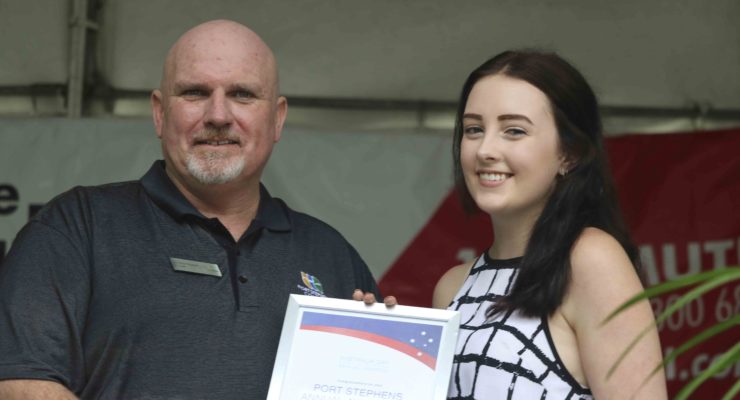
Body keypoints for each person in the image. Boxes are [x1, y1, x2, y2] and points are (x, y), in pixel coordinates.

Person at [0, 20, 380, 399]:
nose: (218, 115)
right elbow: (20, 384)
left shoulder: (331, 254)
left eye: (242, 94)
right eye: (195, 93)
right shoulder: (77, 227)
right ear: (159, 113)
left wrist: (384, 350)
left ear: (277, 118)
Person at [433, 50, 667, 399]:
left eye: (514, 131)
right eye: (474, 129)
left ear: (569, 154)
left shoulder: (590, 260)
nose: (485, 149)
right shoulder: (451, 287)